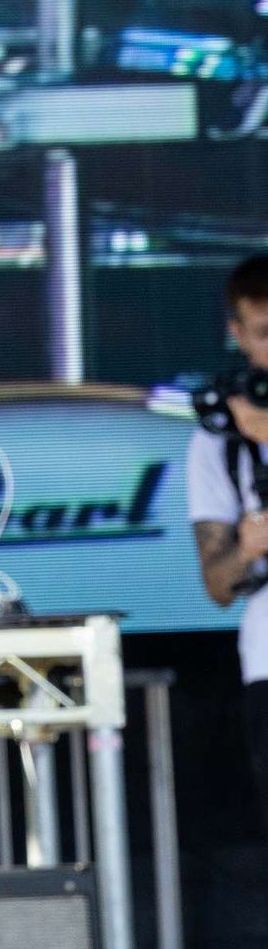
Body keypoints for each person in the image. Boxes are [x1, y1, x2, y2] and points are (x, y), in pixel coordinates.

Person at [189, 251, 268, 830]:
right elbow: (217, 584)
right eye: (264, 334)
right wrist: (248, 547)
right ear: (237, 334)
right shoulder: (218, 440)